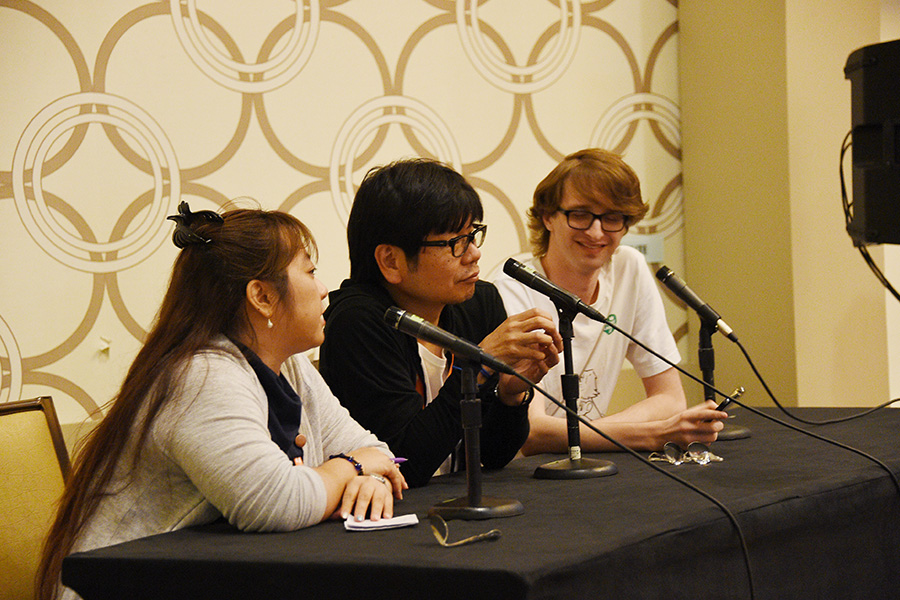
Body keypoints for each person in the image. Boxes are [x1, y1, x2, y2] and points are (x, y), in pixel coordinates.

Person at [38, 202, 406, 600]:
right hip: (122, 586)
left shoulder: (290, 364)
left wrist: (369, 481)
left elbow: (376, 450)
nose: (323, 290)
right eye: (310, 271)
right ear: (262, 296)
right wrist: (352, 467)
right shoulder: (200, 375)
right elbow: (277, 502)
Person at [318, 159, 562, 488]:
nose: (473, 254)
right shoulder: (358, 323)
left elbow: (494, 455)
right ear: (391, 260)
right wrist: (477, 366)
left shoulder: (479, 303)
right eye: (455, 243)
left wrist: (510, 395)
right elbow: (402, 464)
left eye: (473, 235)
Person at [490, 148, 727, 455]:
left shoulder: (629, 267)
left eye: (612, 218)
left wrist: (601, 434)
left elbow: (670, 399)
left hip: (591, 462)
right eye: (580, 215)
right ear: (548, 216)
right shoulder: (511, 287)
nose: (596, 232)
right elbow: (532, 434)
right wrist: (654, 434)